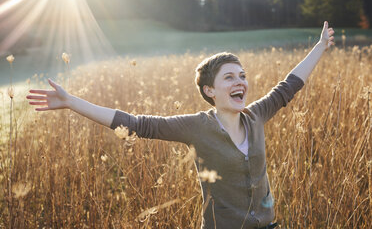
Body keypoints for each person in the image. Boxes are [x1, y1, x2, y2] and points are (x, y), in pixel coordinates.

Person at [27, 21, 334, 229]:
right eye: (229, 77)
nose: (240, 81)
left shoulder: (256, 115)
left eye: (242, 75)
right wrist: (72, 102)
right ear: (209, 91)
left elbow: (289, 85)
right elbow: (135, 124)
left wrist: (320, 46)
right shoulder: (196, 127)